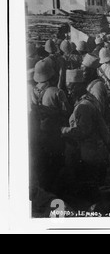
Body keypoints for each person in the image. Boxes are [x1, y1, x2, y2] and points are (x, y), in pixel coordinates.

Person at [60, 69, 110, 202]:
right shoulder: (88, 98)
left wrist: (63, 130)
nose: (69, 92)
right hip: (95, 151)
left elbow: (82, 131)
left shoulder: (84, 106)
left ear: (79, 86)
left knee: (91, 193)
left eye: (71, 88)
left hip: (91, 154)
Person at [30, 58, 71, 194]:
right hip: (55, 134)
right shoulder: (56, 92)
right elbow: (67, 113)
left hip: (38, 134)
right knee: (57, 163)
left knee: (43, 164)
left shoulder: (32, 91)